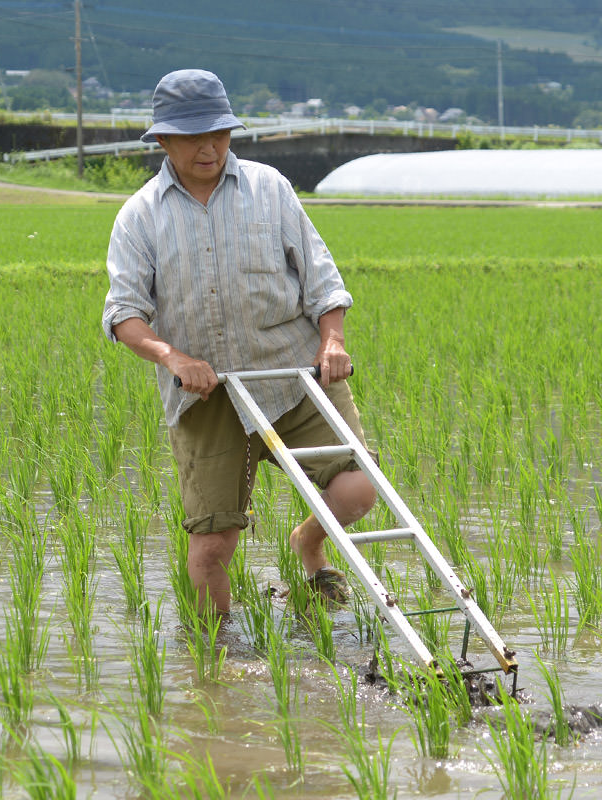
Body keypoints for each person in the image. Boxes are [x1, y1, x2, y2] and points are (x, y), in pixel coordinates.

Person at [102, 69, 377, 618]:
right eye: (192, 136)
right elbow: (124, 313)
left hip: (292, 377)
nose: (209, 147)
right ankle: (215, 672)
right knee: (211, 550)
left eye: (219, 133)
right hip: (209, 396)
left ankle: (308, 545)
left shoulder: (269, 187)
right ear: (162, 141)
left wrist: (333, 341)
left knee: (358, 490)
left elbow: (322, 280)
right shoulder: (141, 215)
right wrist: (173, 357)